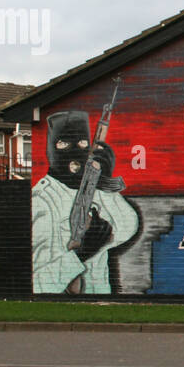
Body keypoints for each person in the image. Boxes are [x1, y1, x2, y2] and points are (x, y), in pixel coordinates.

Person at [31, 111, 139, 294]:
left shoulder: (94, 190)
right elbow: (37, 284)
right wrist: (80, 255)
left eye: (82, 143)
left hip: (102, 303)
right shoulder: (42, 201)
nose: (75, 152)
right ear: (52, 148)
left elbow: (127, 228)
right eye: (64, 144)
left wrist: (105, 184)